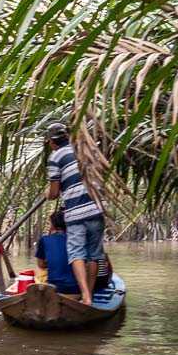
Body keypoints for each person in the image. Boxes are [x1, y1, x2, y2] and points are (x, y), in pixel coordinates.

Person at [45, 122, 104, 305]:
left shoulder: (56, 156)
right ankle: (90, 296)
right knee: (94, 255)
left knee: (76, 253)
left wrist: (47, 193)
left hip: (76, 212)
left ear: (51, 142)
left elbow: (54, 193)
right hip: (97, 208)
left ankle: (85, 296)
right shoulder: (85, 149)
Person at [34, 211, 80, 295]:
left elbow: (40, 265)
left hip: (54, 288)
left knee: (40, 273)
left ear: (52, 225)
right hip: (77, 287)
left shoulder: (44, 239)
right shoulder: (76, 238)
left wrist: (52, 263)